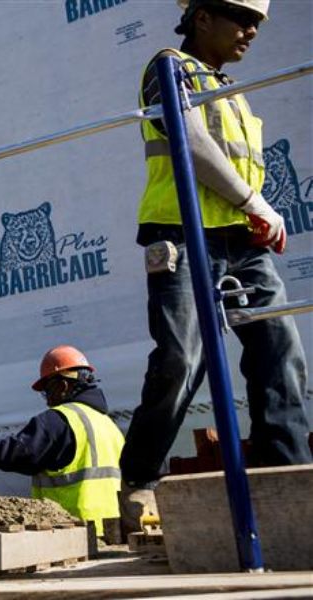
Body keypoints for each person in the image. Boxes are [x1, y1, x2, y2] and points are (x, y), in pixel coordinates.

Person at [119, 0, 312, 531]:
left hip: (239, 243)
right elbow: (191, 144)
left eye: (257, 23)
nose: (252, 31)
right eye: (241, 18)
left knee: (280, 350)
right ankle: (141, 481)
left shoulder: (233, 92)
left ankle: (290, 476)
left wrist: (248, 212)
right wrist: (257, 203)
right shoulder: (167, 67)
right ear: (202, 17)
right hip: (179, 233)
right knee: (182, 359)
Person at [0, 346, 125, 530]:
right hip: (112, 530)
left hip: (75, 531)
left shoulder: (60, 419)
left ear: (62, 386)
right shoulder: (108, 424)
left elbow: (20, 452)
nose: (47, 400)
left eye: (47, 391)